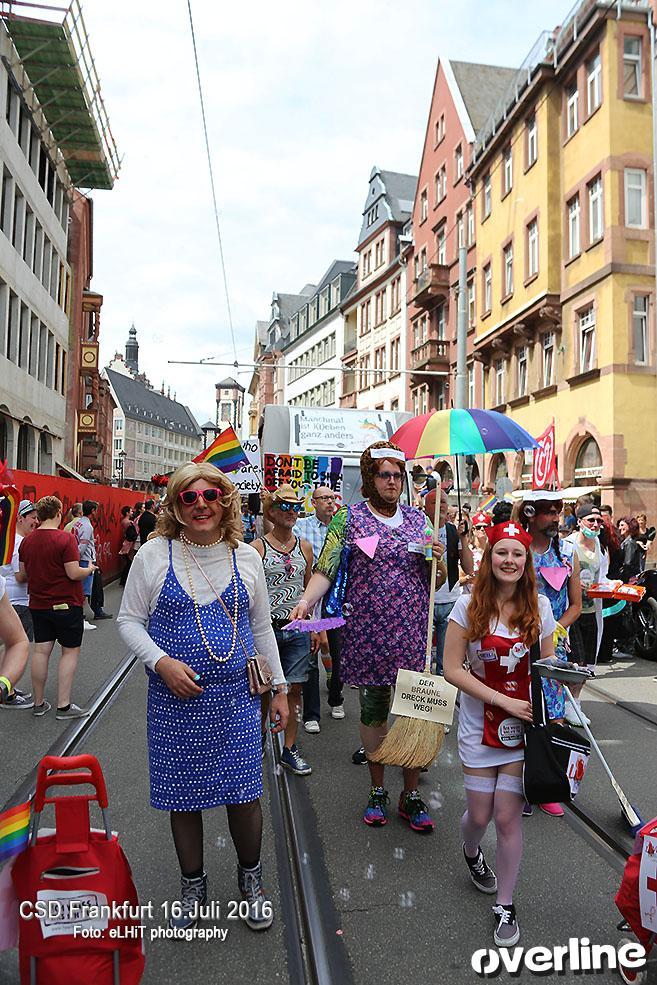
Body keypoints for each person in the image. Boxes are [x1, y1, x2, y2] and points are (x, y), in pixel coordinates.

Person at [117, 462, 288, 932]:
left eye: (210, 495)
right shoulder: (154, 555)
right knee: (183, 799)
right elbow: (128, 621)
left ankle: (251, 880)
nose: (201, 505)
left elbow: (261, 628)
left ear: (225, 501)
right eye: (188, 497)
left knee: (244, 795)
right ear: (175, 505)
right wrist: (162, 663)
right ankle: (193, 885)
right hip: (174, 703)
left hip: (236, 701)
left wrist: (279, 689)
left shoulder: (245, 557)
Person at [290, 440, 437, 833]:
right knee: (373, 712)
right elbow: (326, 567)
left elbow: (437, 578)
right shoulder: (349, 518)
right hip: (368, 634)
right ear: (371, 478)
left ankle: (410, 794)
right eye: (384, 474)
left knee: (415, 713)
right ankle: (377, 790)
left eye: (397, 475)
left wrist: (440, 558)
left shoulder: (420, 520)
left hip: (412, 634)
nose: (392, 481)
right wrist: (306, 602)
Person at [443, 519, 556, 948]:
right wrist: (501, 700)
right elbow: (452, 669)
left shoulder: (540, 607)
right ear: (489, 558)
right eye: (501, 552)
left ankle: (505, 904)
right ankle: (472, 852)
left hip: (520, 730)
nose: (509, 560)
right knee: (479, 815)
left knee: (507, 817)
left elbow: (546, 667)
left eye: (517, 554)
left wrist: (568, 681)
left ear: (526, 561)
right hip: (478, 725)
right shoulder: (467, 604)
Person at [514, 491, 582, 818]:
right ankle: (522, 784)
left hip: (550, 644)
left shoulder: (568, 553)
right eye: (549, 512)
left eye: (558, 512)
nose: (556, 518)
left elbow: (576, 605)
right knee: (521, 712)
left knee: (554, 713)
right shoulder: (515, 550)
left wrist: (555, 628)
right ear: (531, 515)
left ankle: (548, 785)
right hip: (516, 644)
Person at [252, 485, 315, 775]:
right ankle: (258, 741)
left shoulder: (305, 547)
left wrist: (315, 627)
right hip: (266, 631)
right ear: (272, 512)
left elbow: (308, 590)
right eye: (285, 507)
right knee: (264, 689)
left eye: (296, 507)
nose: (292, 512)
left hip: (297, 630)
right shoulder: (257, 548)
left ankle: (289, 749)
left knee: (295, 689)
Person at [18, 496, 94, 719]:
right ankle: (63, 705)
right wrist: (89, 569)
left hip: (38, 604)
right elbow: (73, 573)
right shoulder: (65, 539)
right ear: (59, 513)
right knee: (69, 652)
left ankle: (38, 702)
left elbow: (23, 575)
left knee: (41, 651)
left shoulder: (27, 542)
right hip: (66, 603)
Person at [293, 485, 344, 729]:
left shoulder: (342, 528)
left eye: (332, 498)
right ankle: (311, 714)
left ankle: (336, 698)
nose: (330, 502)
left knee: (339, 652)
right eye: (324, 498)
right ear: (313, 503)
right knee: (311, 655)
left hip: (336, 601)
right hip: (311, 598)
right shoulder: (301, 527)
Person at [424, 488, 474, 675]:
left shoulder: (453, 531)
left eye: (443, 501)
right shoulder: (419, 529)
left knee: (446, 662)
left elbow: (469, 569)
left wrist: (463, 538)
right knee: (422, 658)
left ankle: (443, 693)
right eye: (435, 502)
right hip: (425, 602)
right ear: (426, 507)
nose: (440, 506)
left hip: (450, 602)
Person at [567, 503, 608, 725]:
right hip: (573, 611)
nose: (595, 524)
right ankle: (568, 706)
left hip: (591, 611)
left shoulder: (600, 546)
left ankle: (575, 703)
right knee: (575, 661)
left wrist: (613, 585)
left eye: (599, 521)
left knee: (588, 663)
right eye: (591, 520)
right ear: (580, 521)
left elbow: (602, 577)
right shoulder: (568, 544)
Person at [0, 499, 38, 708]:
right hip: (18, 601)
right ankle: (8, 691)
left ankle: (9, 684)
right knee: (16, 644)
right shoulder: (19, 543)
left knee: (10, 644)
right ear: (20, 518)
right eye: (32, 517)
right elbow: (20, 576)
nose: (36, 522)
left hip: (11, 598)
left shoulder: (13, 541)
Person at [72, 501, 112, 623]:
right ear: (93, 511)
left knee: (87, 588)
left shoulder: (78, 523)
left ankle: (91, 612)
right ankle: (80, 617)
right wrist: (76, 557)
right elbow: (82, 546)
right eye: (96, 510)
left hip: (83, 559)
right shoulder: (87, 526)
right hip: (86, 560)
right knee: (85, 591)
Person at [0, 573, 30, 707]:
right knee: (17, 642)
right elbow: (17, 643)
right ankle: (6, 689)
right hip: (19, 600)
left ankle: (8, 690)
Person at [119, 505, 139, 587]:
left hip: (127, 542)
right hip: (129, 544)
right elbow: (132, 534)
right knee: (129, 563)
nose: (132, 512)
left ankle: (123, 580)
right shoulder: (128, 523)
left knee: (128, 563)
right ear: (127, 513)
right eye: (130, 511)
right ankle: (124, 580)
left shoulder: (124, 521)